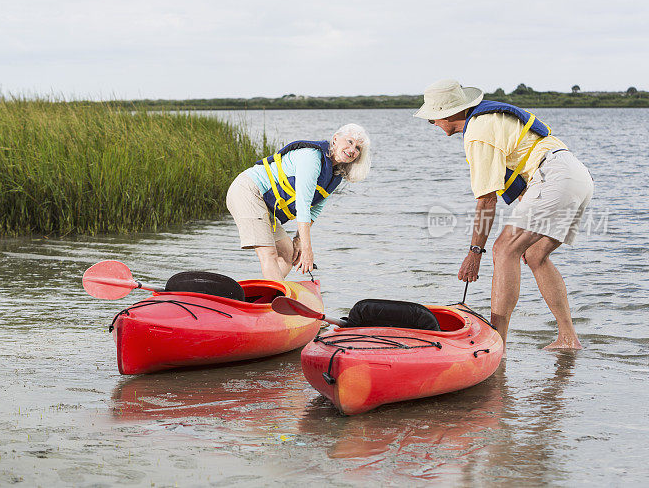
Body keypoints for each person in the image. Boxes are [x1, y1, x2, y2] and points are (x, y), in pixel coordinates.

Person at [414, 79, 593, 351]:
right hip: (575, 175)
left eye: (432, 119)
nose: (433, 125)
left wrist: (475, 253)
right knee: (534, 254)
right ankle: (568, 339)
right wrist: (522, 236)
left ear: (447, 114)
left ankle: (498, 345)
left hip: (554, 177)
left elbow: (487, 201)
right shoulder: (490, 118)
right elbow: (525, 190)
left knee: (502, 250)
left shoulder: (477, 131)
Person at [226, 124, 371, 282]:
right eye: (349, 142)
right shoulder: (312, 157)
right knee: (269, 254)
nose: (352, 150)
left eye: (357, 148)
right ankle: (275, 301)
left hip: (264, 205)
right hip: (248, 191)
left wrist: (298, 240)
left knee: (289, 254)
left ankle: (264, 296)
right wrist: (308, 250)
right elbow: (303, 205)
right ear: (335, 139)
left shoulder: (335, 175)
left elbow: (314, 210)